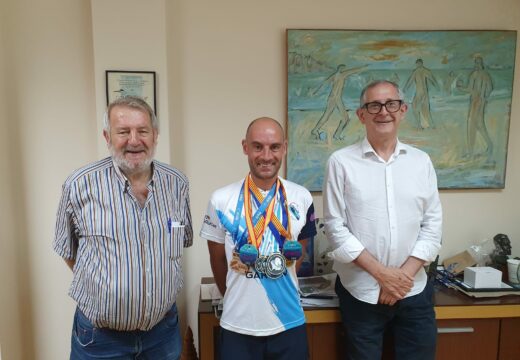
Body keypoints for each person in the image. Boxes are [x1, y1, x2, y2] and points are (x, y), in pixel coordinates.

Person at [53, 96, 193, 359]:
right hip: (100, 340)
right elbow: (67, 249)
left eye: (142, 131)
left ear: (155, 135)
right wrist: (106, 289)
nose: (134, 140)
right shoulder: (79, 184)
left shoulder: (177, 184)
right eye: (123, 132)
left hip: (162, 335)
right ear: (107, 136)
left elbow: (180, 240)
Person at [323, 80, 442, 360]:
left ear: (403, 110)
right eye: (373, 105)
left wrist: (402, 277)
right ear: (361, 114)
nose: (383, 112)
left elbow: (433, 224)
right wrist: (383, 276)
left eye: (390, 104)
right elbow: (335, 228)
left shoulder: (421, 161)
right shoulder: (340, 162)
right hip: (362, 293)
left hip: (414, 291)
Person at [200, 117, 317, 360]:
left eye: (274, 147)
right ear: (245, 147)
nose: (266, 155)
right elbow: (218, 259)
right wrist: (236, 296)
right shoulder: (221, 200)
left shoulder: (301, 197)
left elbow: (299, 253)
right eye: (257, 146)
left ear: (284, 147)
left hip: (288, 322)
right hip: (238, 324)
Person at [311, 64, 367, 141]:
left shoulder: (335, 75)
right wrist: (363, 67)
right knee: (342, 118)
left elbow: (325, 83)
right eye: (343, 68)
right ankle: (333, 134)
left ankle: (321, 131)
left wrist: (316, 92)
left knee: (336, 117)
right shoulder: (341, 75)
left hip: (334, 98)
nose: (344, 69)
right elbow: (352, 71)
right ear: (340, 68)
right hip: (335, 98)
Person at [458, 56, 494, 158]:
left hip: (478, 102)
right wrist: (461, 88)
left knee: (472, 125)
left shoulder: (482, 74)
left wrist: (484, 96)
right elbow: (471, 89)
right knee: (478, 125)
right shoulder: (477, 74)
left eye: (478, 63)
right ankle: (489, 146)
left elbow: (489, 88)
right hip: (476, 102)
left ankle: (471, 152)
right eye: (476, 63)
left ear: (481, 63)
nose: (477, 65)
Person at [404, 59, 439, 129]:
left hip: (419, 93)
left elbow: (410, 81)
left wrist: (405, 88)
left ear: (419, 63)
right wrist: (437, 86)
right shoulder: (426, 71)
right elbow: (433, 79)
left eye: (417, 64)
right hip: (425, 93)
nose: (417, 65)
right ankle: (432, 125)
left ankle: (419, 125)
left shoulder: (416, 72)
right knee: (426, 109)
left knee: (414, 107)